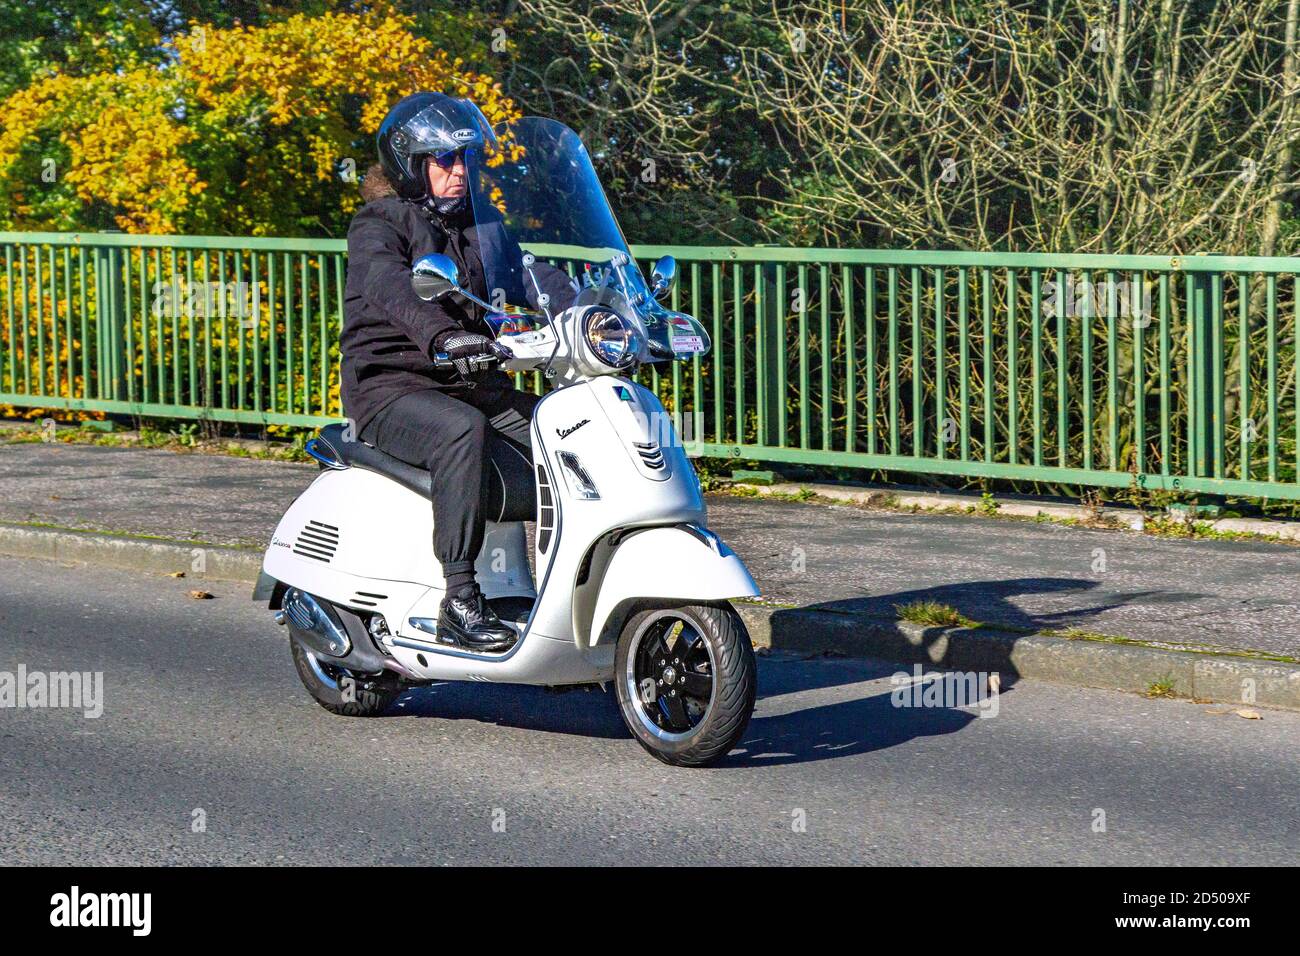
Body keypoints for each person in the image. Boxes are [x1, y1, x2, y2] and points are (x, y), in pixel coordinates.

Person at [340, 92, 577, 652]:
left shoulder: (483, 225)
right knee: (458, 431)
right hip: (392, 389)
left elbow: (531, 275)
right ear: (411, 165)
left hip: (473, 382)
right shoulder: (379, 224)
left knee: (563, 424)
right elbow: (391, 288)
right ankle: (461, 600)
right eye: (443, 160)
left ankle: (560, 587)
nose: (457, 170)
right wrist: (442, 335)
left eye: (465, 158)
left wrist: (597, 313)